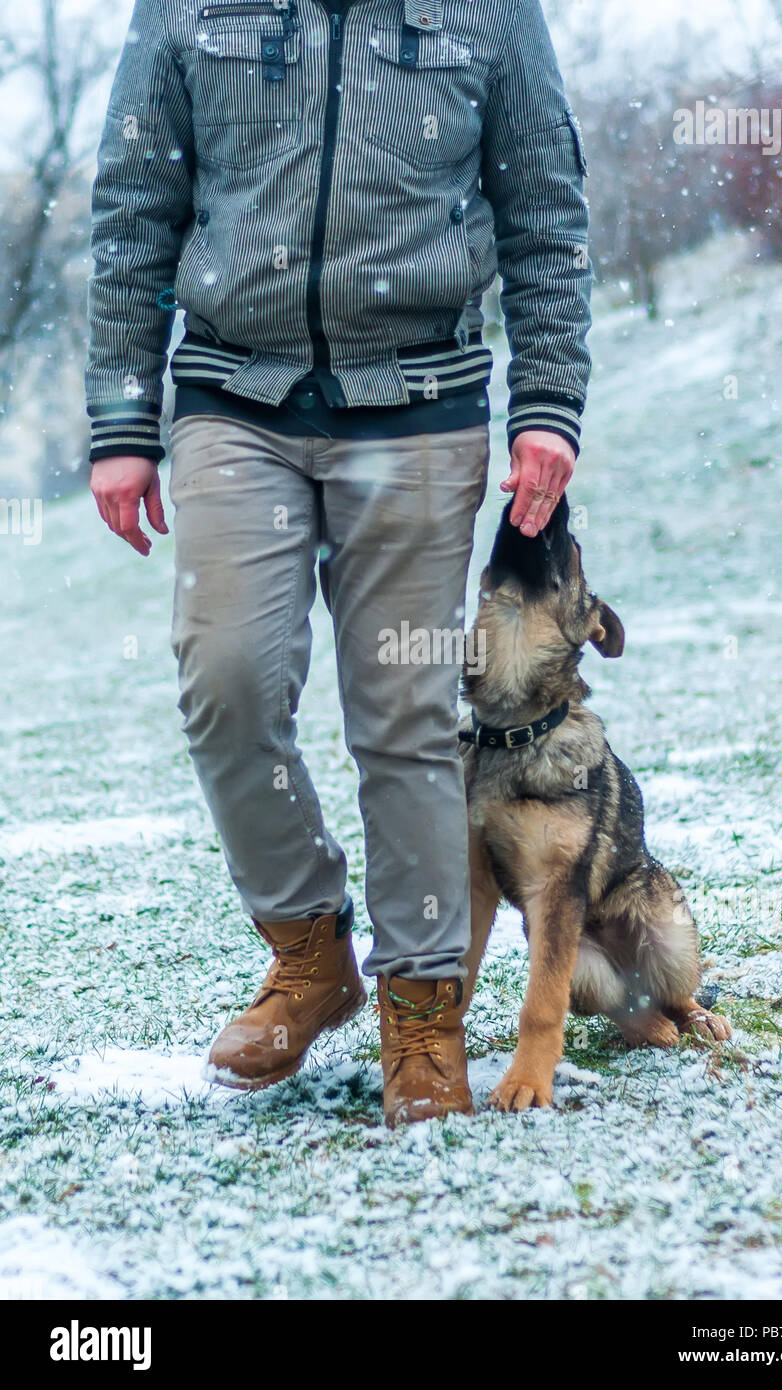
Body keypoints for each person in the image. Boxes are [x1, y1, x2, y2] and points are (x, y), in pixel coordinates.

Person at [85, 0, 592, 1127]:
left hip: (419, 406)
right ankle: (309, 951)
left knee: (401, 716)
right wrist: (123, 419)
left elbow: (544, 213)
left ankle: (421, 1011)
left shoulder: (491, 12)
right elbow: (132, 209)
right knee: (227, 680)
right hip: (233, 398)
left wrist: (545, 406)